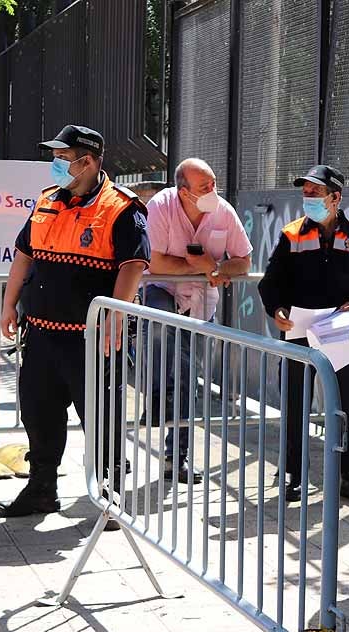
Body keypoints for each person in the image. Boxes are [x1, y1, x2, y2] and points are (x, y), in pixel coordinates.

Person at [0, 125, 149, 523]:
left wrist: (115, 316)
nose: (57, 164)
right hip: (42, 335)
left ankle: (109, 496)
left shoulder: (121, 207)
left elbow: (133, 265)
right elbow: (23, 254)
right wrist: (9, 305)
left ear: (90, 161)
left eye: (64, 158)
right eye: (57, 157)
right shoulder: (47, 201)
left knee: (102, 419)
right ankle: (42, 488)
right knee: (39, 414)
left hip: (92, 339)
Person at [258, 165, 349, 504]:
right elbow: (271, 282)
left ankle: (348, 472)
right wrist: (276, 308)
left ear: (335, 197)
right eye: (305, 191)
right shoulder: (292, 234)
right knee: (295, 400)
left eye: (314, 191)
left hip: (338, 330)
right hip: (299, 329)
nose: (307, 197)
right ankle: (295, 475)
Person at [143, 158, 252, 484]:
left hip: (201, 301)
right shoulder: (160, 206)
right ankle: (157, 396)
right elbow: (156, 261)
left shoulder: (223, 211)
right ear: (183, 192)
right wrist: (205, 267)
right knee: (160, 334)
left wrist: (215, 270)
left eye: (213, 184)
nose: (212, 191)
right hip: (161, 289)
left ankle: (176, 459)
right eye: (204, 187)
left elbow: (243, 263)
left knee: (189, 378)